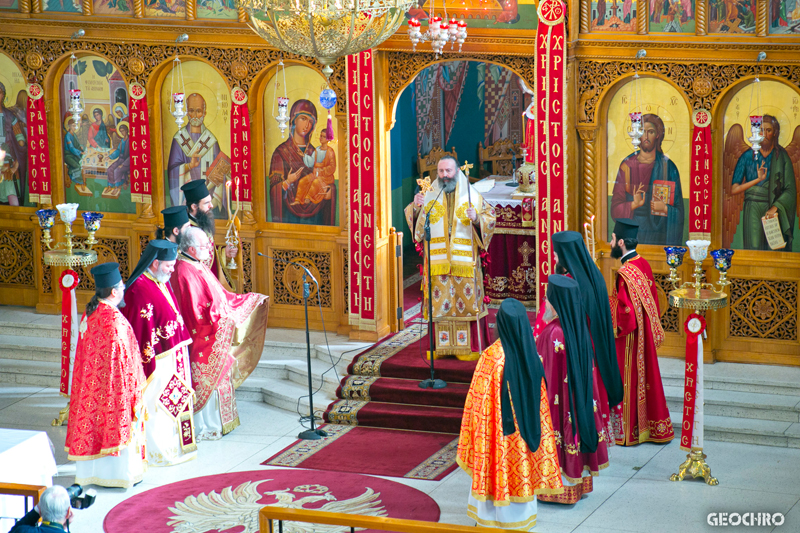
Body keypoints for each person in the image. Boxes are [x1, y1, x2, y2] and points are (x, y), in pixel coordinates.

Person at [457, 298, 563, 530]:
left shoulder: (491, 358)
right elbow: (542, 410)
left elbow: (476, 406)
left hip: (497, 437)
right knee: (522, 478)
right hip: (524, 440)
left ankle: (491, 521)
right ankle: (520, 520)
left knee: (497, 479)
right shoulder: (532, 357)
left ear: (501, 325)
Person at [171, 226, 270, 440]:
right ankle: (207, 426)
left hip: (214, 329)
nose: (209, 248)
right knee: (210, 377)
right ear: (191, 248)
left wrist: (246, 301)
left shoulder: (198, 265)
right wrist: (225, 318)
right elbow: (196, 313)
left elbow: (221, 295)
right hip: (203, 336)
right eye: (204, 245)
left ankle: (222, 423)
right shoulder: (185, 271)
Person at [404, 156, 497, 360]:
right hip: (438, 262)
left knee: (467, 302)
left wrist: (477, 219)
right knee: (439, 303)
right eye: (441, 172)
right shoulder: (430, 194)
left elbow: (491, 218)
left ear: (457, 171)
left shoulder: (472, 195)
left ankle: (470, 347)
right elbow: (417, 230)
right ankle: (440, 347)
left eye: (448, 171)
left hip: (465, 262)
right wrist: (417, 207)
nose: (445, 176)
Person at [65, 262, 146, 488]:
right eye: (121, 287)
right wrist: (133, 389)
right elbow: (124, 363)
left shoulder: (91, 312)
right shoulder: (115, 321)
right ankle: (119, 476)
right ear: (113, 292)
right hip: (112, 391)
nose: (124, 290)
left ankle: (91, 476)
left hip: (90, 389)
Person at [121, 240, 197, 465]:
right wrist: (150, 362)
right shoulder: (138, 289)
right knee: (161, 405)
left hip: (174, 356)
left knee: (176, 402)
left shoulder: (160, 280)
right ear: (154, 263)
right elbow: (140, 330)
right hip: (159, 363)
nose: (172, 270)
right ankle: (159, 451)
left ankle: (178, 446)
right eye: (168, 266)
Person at [536, 275, 611, 504]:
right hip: (578, 403)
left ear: (557, 303)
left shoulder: (552, 334)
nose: (545, 306)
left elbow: (545, 378)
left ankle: (557, 489)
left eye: (547, 301)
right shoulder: (578, 328)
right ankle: (577, 482)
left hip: (558, 403)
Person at [549, 231, 624, 432]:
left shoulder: (572, 283)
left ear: (565, 256)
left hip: (584, 348)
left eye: (556, 255)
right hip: (598, 345)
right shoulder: (593, 274)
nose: (554, 259)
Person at [609, 218, 674, 446]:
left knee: (631, 380)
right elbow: (653, 301)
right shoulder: (643, 263)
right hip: (644, 335)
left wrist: (609, 314)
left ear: (622, 242)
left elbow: (625, 315)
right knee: (648, 378)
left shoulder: (626, 273)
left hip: (631, 341)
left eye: (613, 239)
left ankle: (631, 433)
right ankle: (653, 428)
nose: (610, 242)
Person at [610, 113, 684, 245]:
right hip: (631, 233)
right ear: (637, 135)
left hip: (658, 234)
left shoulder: (669, 167)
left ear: (657, 135)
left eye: (651, 132)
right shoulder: (627, 166)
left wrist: (665, 208)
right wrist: (634, 204)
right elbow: (615, 210)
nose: (646, 136)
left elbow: (679, 212)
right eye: (642, 131)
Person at [729, 114, 796, 250]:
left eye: (768, 130)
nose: (764, 134)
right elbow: (734, 189)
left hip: (774, 207)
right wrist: (757, 180)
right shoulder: (747, 156)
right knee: (754, 247)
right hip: (753, 207)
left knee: (775, 249)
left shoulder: (782, 157)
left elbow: (790, 190)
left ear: (775, 133)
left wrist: (775, 207)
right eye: (760, 130)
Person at [268, 99, 336, 225]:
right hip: (289, 218)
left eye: (311, 121)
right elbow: (274, 190)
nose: (307, 125)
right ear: (293, 120)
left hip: (316, 216)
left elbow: (327, 177)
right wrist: (288, 182)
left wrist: (330, 192)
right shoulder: (281, 153)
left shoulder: (314, 151)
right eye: (303, 119)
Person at [167, 93, 224, 212]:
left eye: (198, 111)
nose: (195, 115)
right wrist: (189, 166)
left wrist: (221, 177)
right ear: (186, 112)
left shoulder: (211, 141)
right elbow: (172, 171)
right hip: (187, 198)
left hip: (208, 198)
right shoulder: (179, 139)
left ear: (204, 112)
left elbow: (220, 170)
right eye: (191, 111)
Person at [181, 180, 237, 286]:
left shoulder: (204, 221)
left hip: (211, 281)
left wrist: (225, 252)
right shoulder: (185, 230)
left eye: (210, 201)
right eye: (206, 203)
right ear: (194, 206)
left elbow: (210, 252)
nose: (211, 206)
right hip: (197, 284)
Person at [292, 128, 337, 205]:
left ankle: (308, 198)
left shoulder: (330, 152)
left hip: (325, 177)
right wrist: (304, 156)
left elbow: (332, 167)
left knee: (315, 183)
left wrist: (322, 171)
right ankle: (298, 200)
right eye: (320, 136)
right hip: (315, 174)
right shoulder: (317, 149)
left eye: (323, 137)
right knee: (302, 181)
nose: (321, 138)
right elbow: (311, 162)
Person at [0, 81, 26, 206]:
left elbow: (18, 135)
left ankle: (16, 214)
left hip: (8, 158)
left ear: (3, 95)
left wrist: (20, 141)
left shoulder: (10, 116)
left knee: (11, 191)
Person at [8, 486, 74, 533]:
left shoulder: (22, 530)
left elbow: (15, 530)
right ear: (68, 512)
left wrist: (35, 512)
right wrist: (63, 528)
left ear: (39, 510)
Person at [102, 122, 130, 197]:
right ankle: (110, 186)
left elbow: (131, 155)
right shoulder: (122, 141)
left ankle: (117, 187)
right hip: (120, 159)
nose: (122, 132)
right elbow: (118, 151)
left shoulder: (130, 140)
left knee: (117, 170)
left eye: (123, 130)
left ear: (126, 130)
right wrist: (110, 156)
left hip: (127, 162)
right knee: (110, 169)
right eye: (121, 131)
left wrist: (123, 164)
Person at [63, 117, 84, 187]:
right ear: (69, 126)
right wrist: (79, 152)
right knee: (77, 166)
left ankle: (78, 181)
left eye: (75, 126)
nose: (75, 127)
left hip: (73, 154)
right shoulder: (68, 136)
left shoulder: (74, 134)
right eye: (73, 126)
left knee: (81, 162)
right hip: (68, 155)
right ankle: (79, 182)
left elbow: (77, 144)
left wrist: (80, 147)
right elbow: (71, 148)